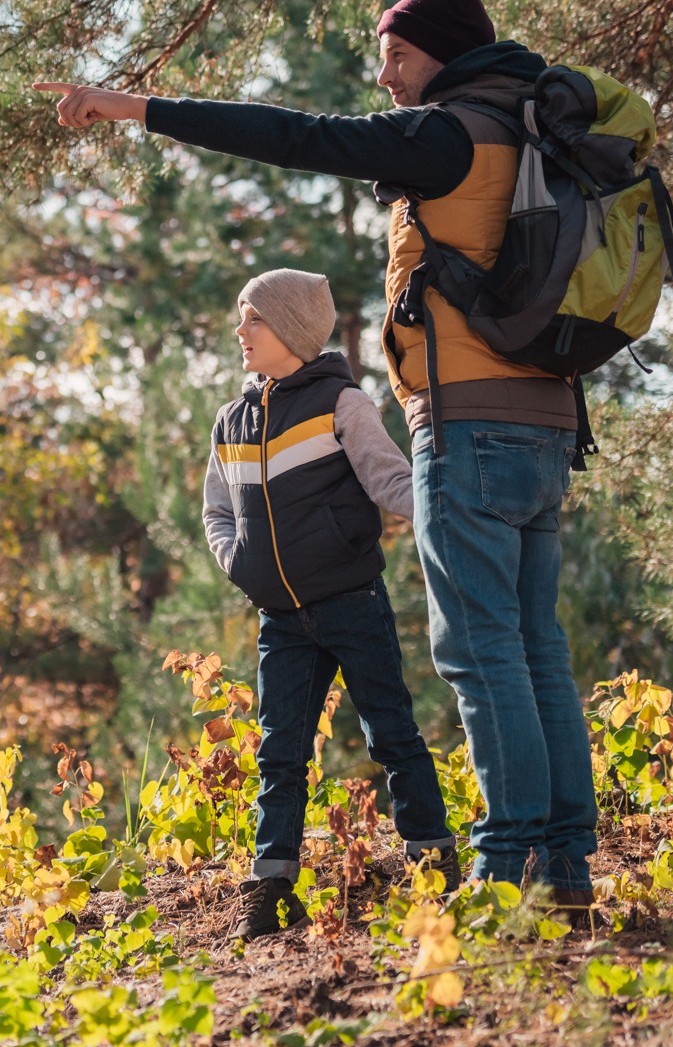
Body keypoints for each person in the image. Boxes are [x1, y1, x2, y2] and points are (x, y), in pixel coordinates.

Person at [37, 0, 599, 906]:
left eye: (400, 58)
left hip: (471, 429)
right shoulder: (528, 130)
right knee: (538, 648)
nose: (386, 77)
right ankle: (564, 868)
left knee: (483, 652)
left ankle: (506, 871)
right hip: (546, 422)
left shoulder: (449, 132)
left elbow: (292, 133)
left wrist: (133, 107)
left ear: (447, 56)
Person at [209, 268, 457, 941]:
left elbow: (390, 477)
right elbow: (216, 511)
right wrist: (238, 562)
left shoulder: (341, 403)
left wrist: (445, 522)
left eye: (252, 318)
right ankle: (271, 884)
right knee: (280, 750)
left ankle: (434, 860)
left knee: (392, 733)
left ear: (289, 327)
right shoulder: (232, 420)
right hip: (282, 619)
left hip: (351, 599)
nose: (241, 331)